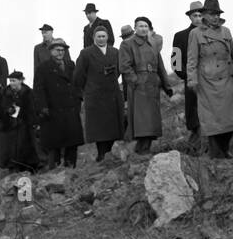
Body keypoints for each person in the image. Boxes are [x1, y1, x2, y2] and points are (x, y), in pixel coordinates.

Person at [187, 0, 233, 158]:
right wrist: (192, 80)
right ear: (204, 15)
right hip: (207, 81)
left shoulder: (226, 31)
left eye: (217, 14)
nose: (214, 17)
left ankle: (224, 148)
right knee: (213, 121)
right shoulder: (195, 33)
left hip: (228, 78)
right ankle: (217, 153)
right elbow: (192, 59)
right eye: (211, 14)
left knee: (232, 118)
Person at [119, 17, 174, 155]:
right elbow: (124, 67)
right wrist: (135, 81)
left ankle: (144, 149)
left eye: (146, 26)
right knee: (141, 121)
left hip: (153, 85)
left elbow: (160, 65)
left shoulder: (153, 43)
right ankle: (140, 150)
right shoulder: (127, 44)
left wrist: (167, 85)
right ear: (135, 28)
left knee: (152, 122)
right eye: (140, 26)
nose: (143, 28)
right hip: (139, 87)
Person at [73, 27, 125, 162]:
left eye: (103, 36)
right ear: (93, 38)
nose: (101, 39)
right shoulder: (85, 53)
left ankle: (111, 152)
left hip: (112, 93)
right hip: (95, 96)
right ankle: (101, 154)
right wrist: (90, 86)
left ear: (107, 37)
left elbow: (119, 70)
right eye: (98, 36)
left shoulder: (115, 52)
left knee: (113, 126)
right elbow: (78, 75)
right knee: (99, 127)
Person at [33, 39, 84, 169]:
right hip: (53, 110)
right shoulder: (43, 68)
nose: (60, 53)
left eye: (62, 50)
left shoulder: (71, 65)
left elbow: (77, 83)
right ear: (51, 51)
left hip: (71, 109)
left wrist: (78, 99)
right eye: (57, 50)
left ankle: (71, 169)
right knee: (54, 145)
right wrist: (43, 108)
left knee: (72, 143)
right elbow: (39, 90)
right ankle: (54, 171)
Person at [172, 1, 205, 148]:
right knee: (193, 111)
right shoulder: (180, 36)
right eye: (195, 15)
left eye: (200, 15)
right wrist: (187, 76)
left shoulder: (211, 33)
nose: (198, 18)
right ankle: (195, 143)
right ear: (190, 17)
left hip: (211, 79)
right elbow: (175, 62)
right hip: (191, 80)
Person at [0, 71, 40, 172]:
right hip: (9, 127)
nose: (11, 83)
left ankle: (29, 169)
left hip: (25, 126)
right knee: (10, 151)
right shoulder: (3, 93)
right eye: (10, 81)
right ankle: (13, 169)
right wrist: (6, 112)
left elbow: (33, 109)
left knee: (27, 151)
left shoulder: (29, 93)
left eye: (14, 81)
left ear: (21, 81)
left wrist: (33, 122)